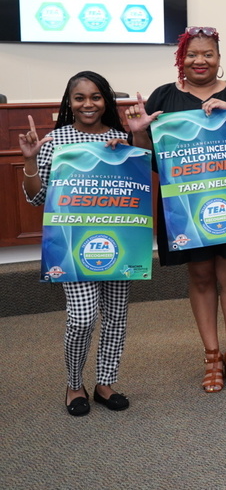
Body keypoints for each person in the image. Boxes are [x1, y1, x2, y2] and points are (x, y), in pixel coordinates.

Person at [129, 27, 226, 392]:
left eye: (207, 54)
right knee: (202, 277)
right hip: (186, 206)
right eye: (192, 54)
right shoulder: (164, 97)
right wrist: (140, 132)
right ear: (181, 59)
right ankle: (211, 356)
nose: (199, 61)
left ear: (220, 59)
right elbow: (149, 160)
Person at [21, 71, 133, 415]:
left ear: (106, 102)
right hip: (71, 247)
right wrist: (29, 160)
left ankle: (105, 382)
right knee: (82, 318)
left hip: (117, 242)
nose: (88, 104)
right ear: (69, 103)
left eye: (96, 97)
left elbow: (135, 187)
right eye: (80, 97)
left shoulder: (118, 137)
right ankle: (74, 384)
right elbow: (36, 197)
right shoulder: (55, 141)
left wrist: (129, 147)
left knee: (116, 316)